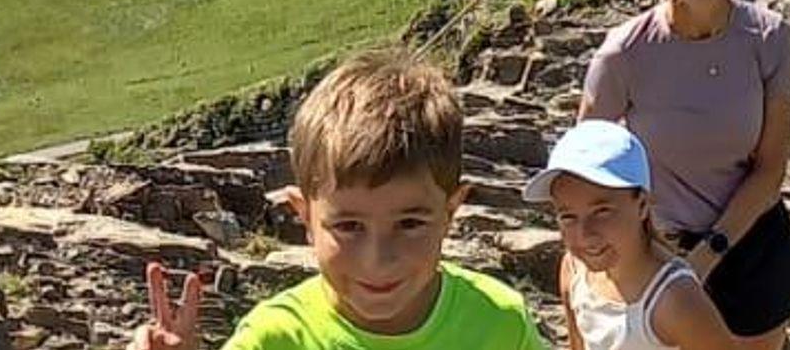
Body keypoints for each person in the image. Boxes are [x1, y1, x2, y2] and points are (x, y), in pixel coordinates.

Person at [131, 46, 545, 350]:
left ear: (451, 212)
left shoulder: (501, 324)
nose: (378, 259)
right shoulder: (273, 338)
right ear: (304, 217)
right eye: (349, 226)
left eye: (410, 223)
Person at [580, 0, 790, 350]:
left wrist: (707, 257)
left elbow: (770, 169)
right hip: (658, 251)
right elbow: (584, 168)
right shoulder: (624, 54)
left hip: (750, 249)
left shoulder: (770, 38)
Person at [525, 120, 738, 350]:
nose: (585, 234)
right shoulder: (574, 270)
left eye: (602, 212)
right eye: (568, 216)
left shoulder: (675, 300)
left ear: (642, 205)